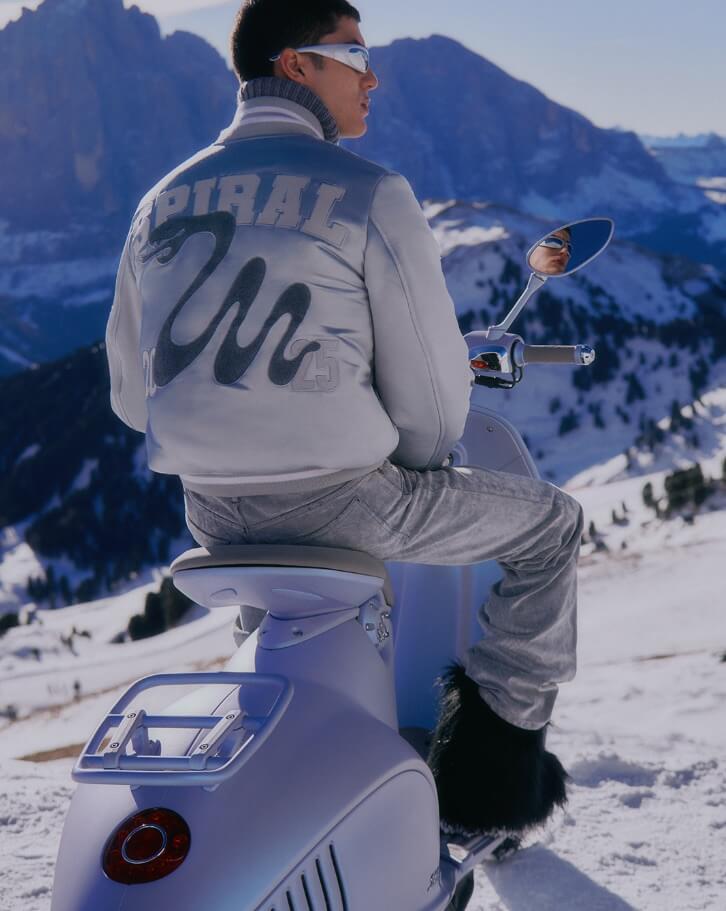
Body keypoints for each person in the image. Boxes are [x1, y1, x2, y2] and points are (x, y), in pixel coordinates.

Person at [105, 0, 583, 838]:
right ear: (296, 64)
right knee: (551, 527)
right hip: (348, 504)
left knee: (288, 591)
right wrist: (412, 460)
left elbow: (126, 393)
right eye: (355, 53)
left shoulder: (157, 203)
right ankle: (487, 784)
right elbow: (434, 410)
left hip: (210, 513)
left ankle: (283, 744)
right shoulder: (369, 192)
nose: (374, 76)